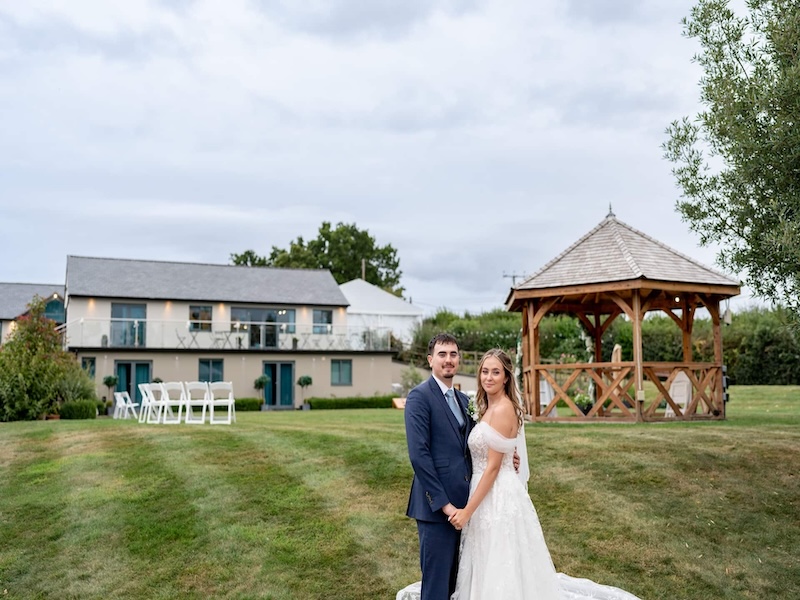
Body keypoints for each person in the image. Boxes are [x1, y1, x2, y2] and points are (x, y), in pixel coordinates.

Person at [448, 349, 642, 600]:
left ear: (506, 377)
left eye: (496, 372)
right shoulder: (487, 407)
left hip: (496, 495)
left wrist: (467, 511)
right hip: (485, 490)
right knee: (489, 555)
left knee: (500, 556)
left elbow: (493, 468)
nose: (489, 377)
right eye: (485, 371)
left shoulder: (503, 409)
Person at [404, 333, 474, 600]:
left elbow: (475, 446)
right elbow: (419, 456)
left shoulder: (464, 401)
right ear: (430, 360)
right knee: (436, 587)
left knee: (458, 584)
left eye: (453, 354)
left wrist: (507, 456)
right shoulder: (419, 397)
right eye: (442, 354)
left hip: (466, 508)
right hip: (437, 510)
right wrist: (445, 506)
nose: (448, 360)